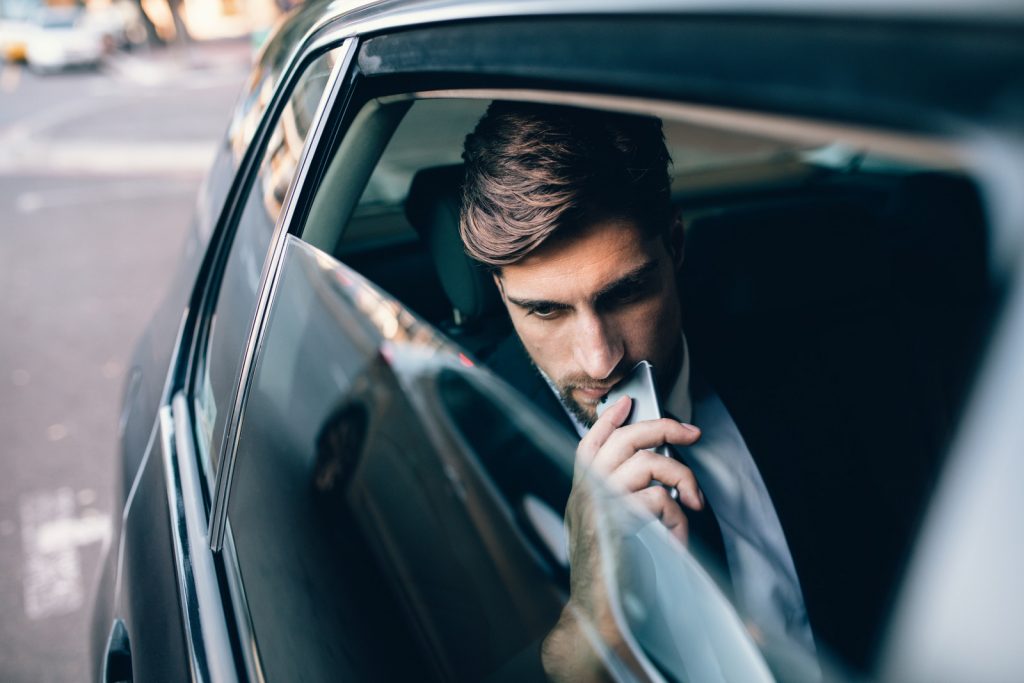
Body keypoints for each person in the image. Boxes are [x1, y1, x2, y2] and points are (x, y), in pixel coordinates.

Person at [459, 101, 815, 680]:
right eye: (545, 311)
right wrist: (584, 637)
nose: (600, 359)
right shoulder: (452, 450)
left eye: (625, 294)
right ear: (501, 293)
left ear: (674, 245)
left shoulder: (802, 368)